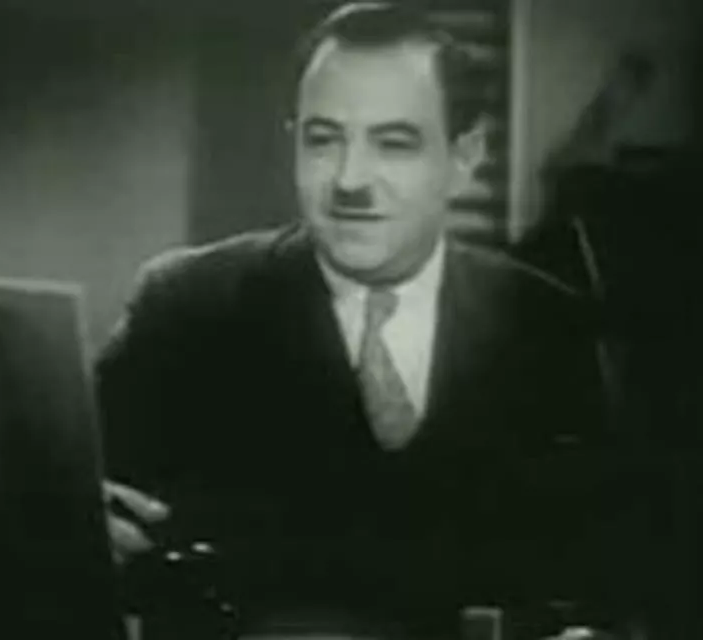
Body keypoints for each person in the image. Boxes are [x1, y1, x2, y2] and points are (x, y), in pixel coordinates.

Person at [98, 1, 610, 635]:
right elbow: (72, 518)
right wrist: (84, 529)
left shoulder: (545, 323)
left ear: (464, 157)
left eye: (393, 144)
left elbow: (597, 571)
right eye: (323, 140)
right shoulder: (182, 307)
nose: (349, 179)